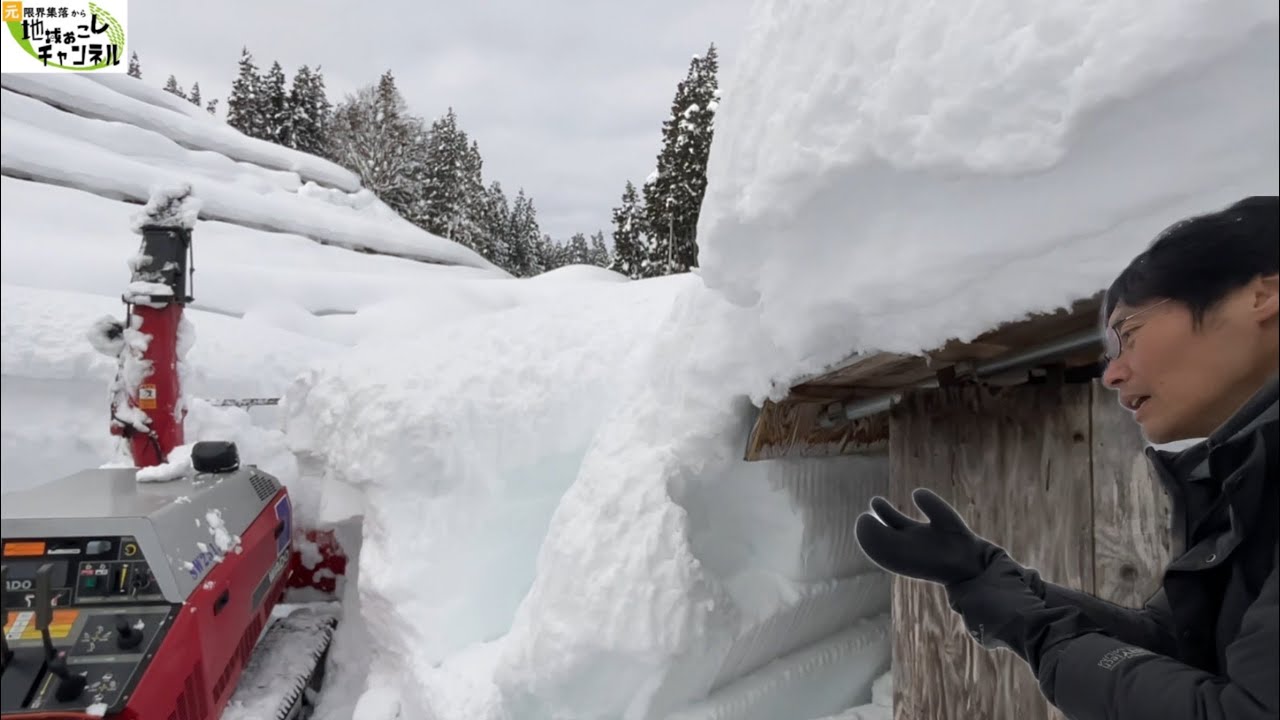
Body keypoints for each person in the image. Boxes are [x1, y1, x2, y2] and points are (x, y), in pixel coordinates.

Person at [854, 195, 1278, 719]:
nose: (1112, 374)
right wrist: (994, 580)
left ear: (1262, 296)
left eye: (1129, 335)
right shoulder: (1248, 483)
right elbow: (1181, 645)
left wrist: (1038, 630)